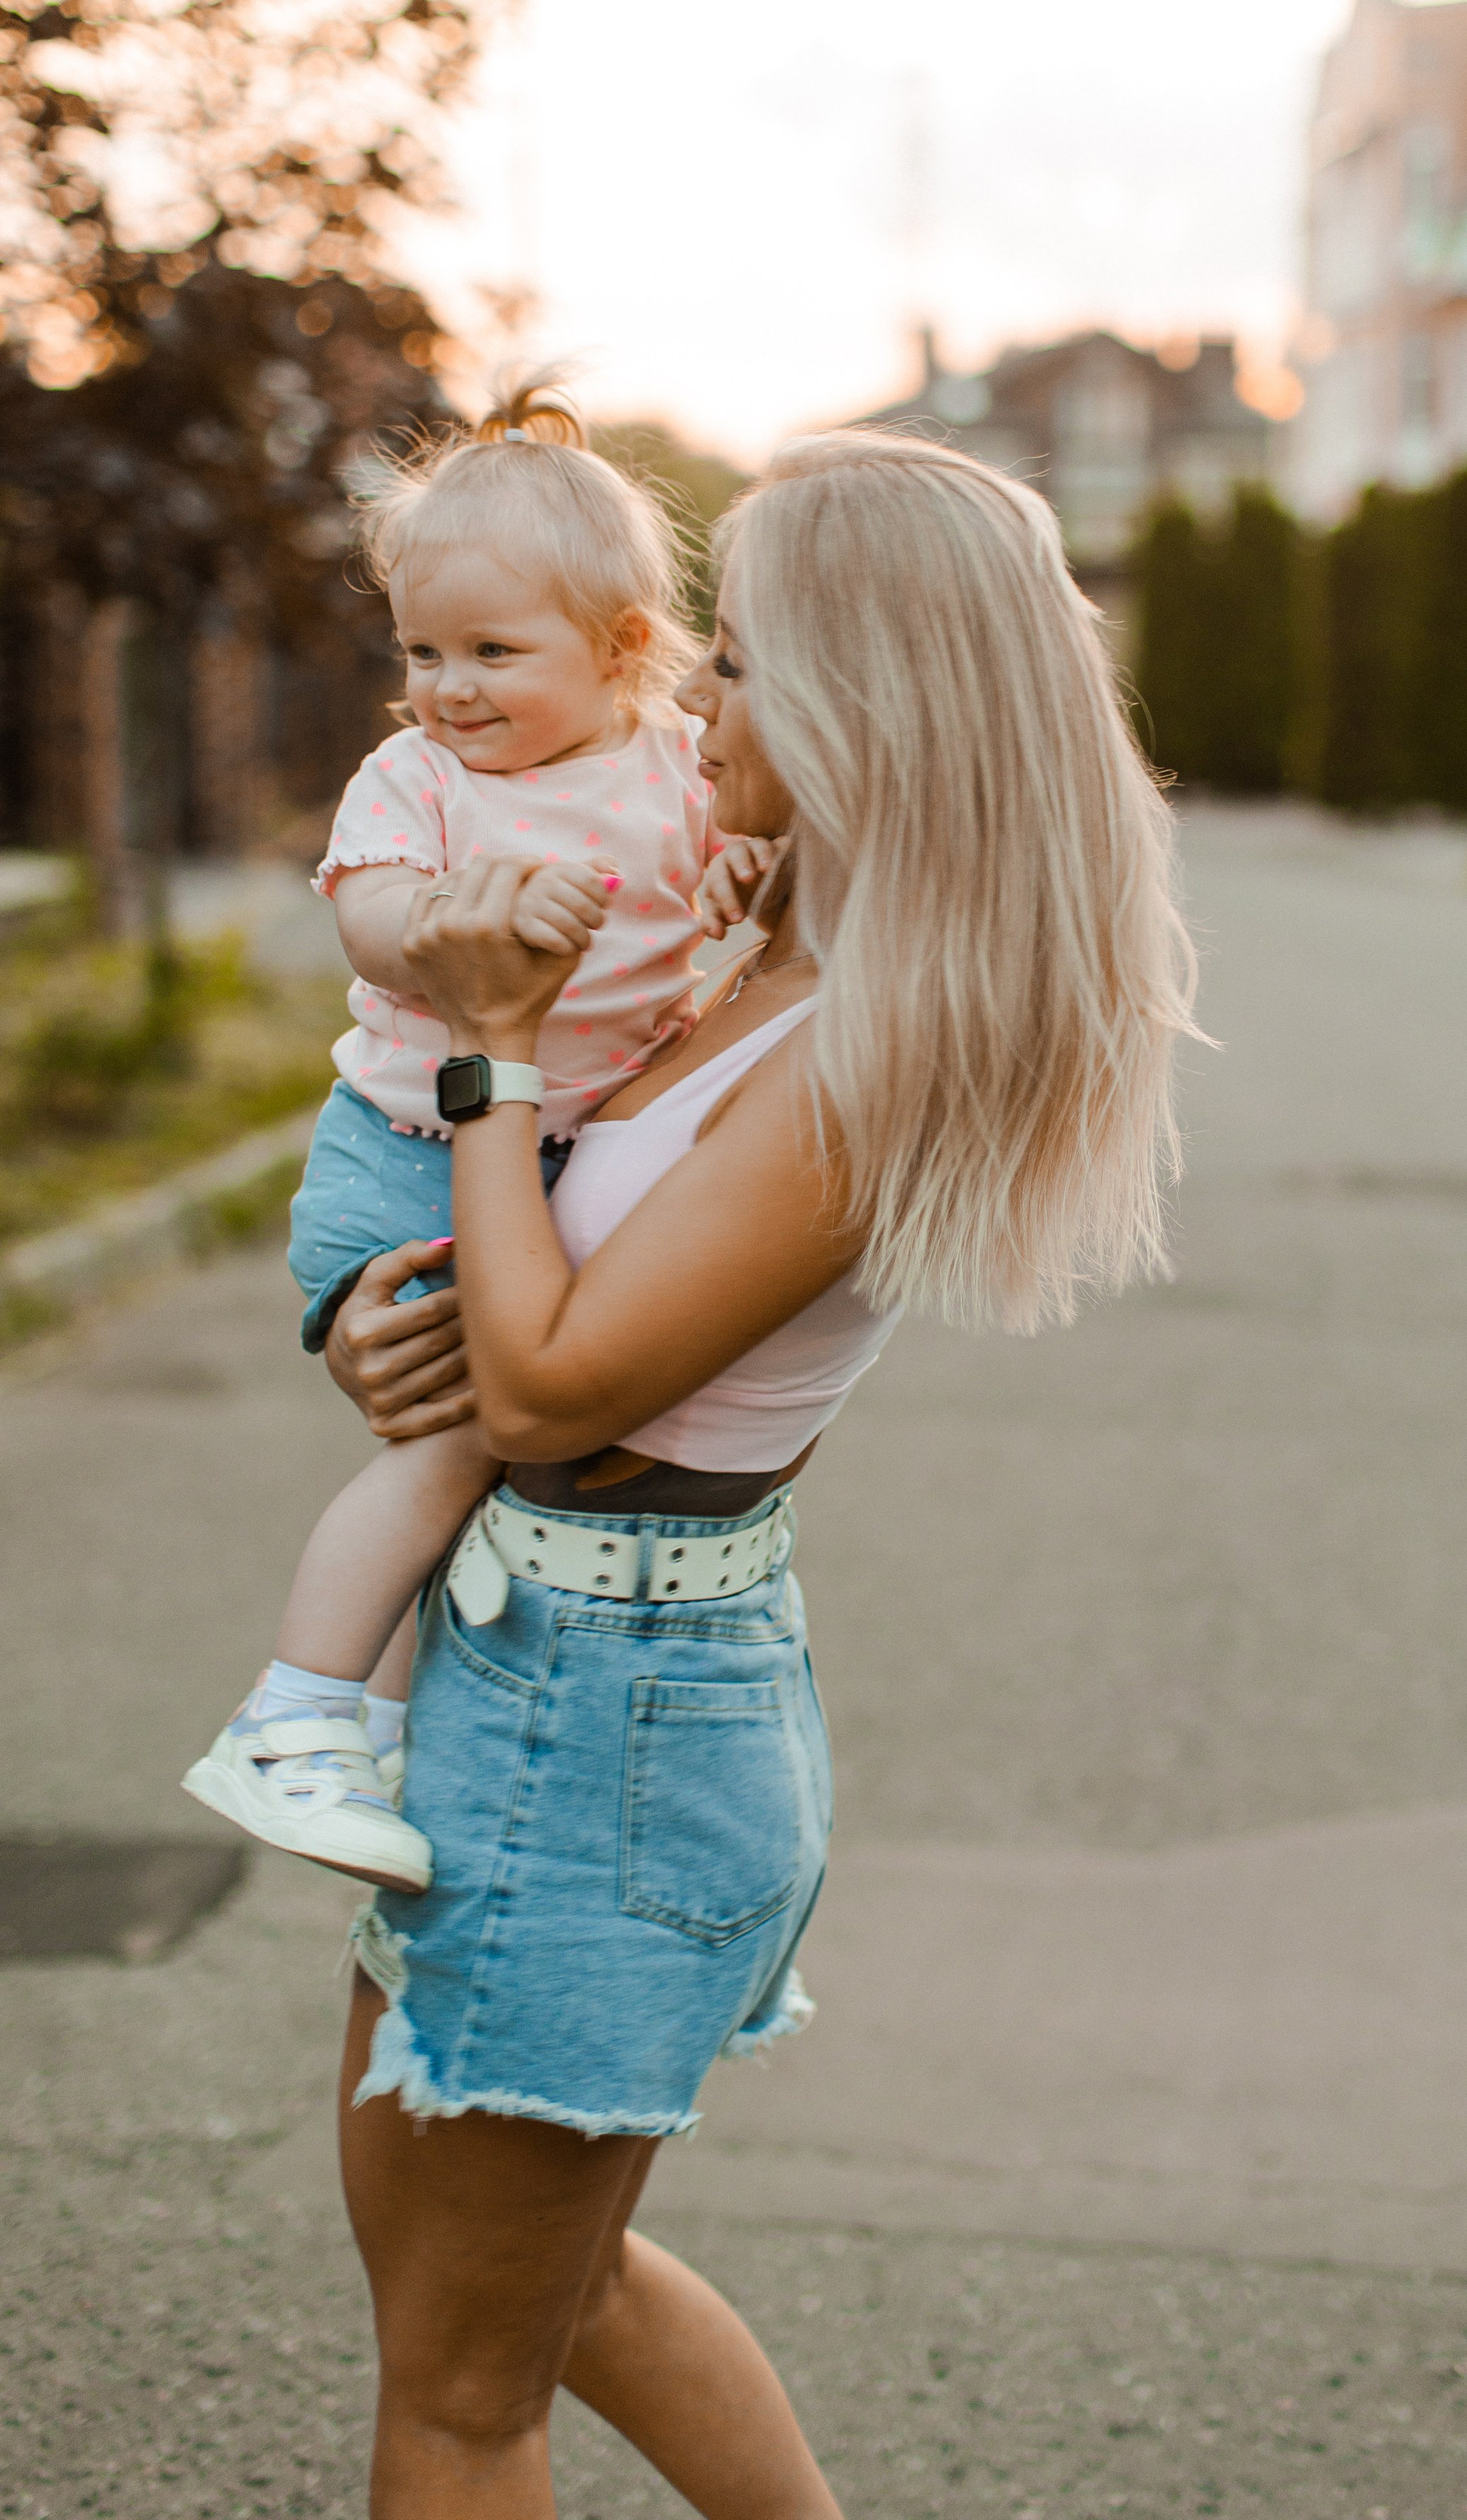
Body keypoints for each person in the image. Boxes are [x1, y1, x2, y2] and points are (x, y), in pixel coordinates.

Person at [317, 427, 1200, 2517]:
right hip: (538, 1668)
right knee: (539, 2296)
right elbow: (505, 1318)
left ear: (864, 705)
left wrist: (492, 1047)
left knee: (463, 2383)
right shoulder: (757, 969)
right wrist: (380, 1320)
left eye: (738, 664)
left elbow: (542, 1396)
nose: (689, 698)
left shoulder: (864, 1055)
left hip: (604, 1715)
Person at [183, 373, 719, 1895]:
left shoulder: (671, 766)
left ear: (620, 653)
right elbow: (367, 912)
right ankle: (289, 1717)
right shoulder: (415, 779)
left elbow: (746, 869)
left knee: (500, 1471)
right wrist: (454, 934)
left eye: (493, 650)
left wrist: (745, 894)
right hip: (408, 1160)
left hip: (536, 1159)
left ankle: (382, 1731)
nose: (449, 686)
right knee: (459, 1451)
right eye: (423, 651)